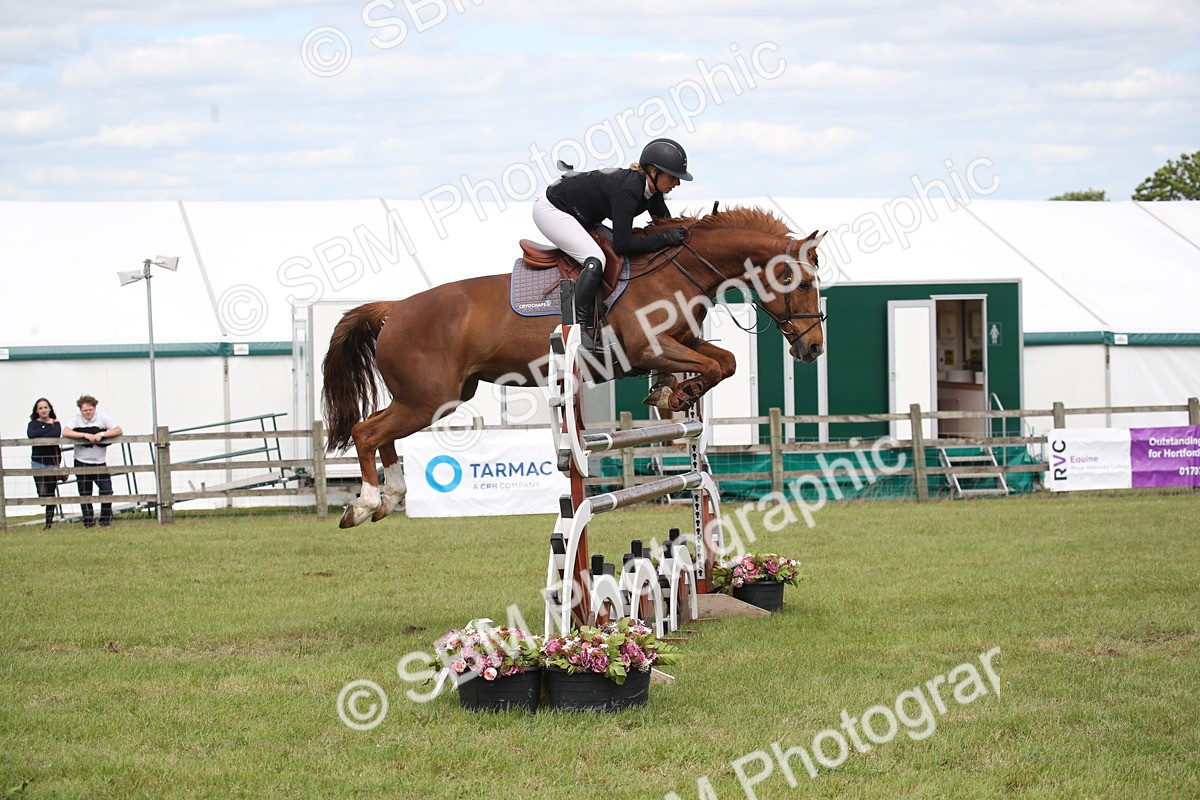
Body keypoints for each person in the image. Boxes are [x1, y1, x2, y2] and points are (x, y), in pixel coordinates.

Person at [533, 138, 693, 352]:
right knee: (595, 259)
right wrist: (665, 238)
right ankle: (577, 329)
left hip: (580, 213)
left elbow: (667, 226)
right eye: (674, 177)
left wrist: (696, 230)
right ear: (654, 172)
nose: (678, 183)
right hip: (552, 210)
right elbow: (623, 244)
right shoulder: (628, 189)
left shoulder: (652, 192)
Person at [62, 394, 123, 528]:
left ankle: (105, 521)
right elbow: (65, 432)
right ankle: (88, 522)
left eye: (90, 410)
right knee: (85, 493)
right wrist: (84, 435)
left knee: (107, 490)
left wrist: (101, 434)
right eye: (85, 410)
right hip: (81, 461)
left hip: (99, 461)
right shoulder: (76, 419)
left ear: (95, 408)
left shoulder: (103, 417)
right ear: (80, 410)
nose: (88, 413)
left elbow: (118, 430)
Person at [27, 397, 63, 530]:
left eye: (45, 407)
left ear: (50, 409)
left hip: (52, 462)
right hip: (37, 461)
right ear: (36, 410)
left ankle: (48, 524)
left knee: (51, 493)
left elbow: (56, 434)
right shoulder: (32, 424)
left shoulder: (55, 422)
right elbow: (31, 434)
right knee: (43, 493)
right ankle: (43, 501)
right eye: (40, 408)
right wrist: (48, 433)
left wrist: (41, 434)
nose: (43, 410)